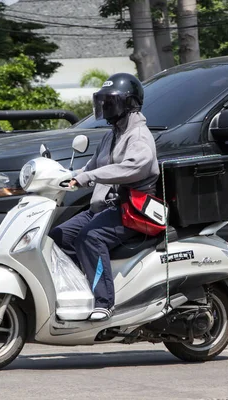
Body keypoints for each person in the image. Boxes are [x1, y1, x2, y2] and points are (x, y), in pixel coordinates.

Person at [49, 72, 159, 321]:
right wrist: (61, 177)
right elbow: (90, 168)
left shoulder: (139, 136)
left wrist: (88, 178)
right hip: (103, 208)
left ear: (129, 104)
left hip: (131, 210)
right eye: (103, 101)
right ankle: (82, 287)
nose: (106, 107)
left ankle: (104, 301)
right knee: (58, 238)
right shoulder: (112, 135)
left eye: (111, 101)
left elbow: (134, 168)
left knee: (91, 238)